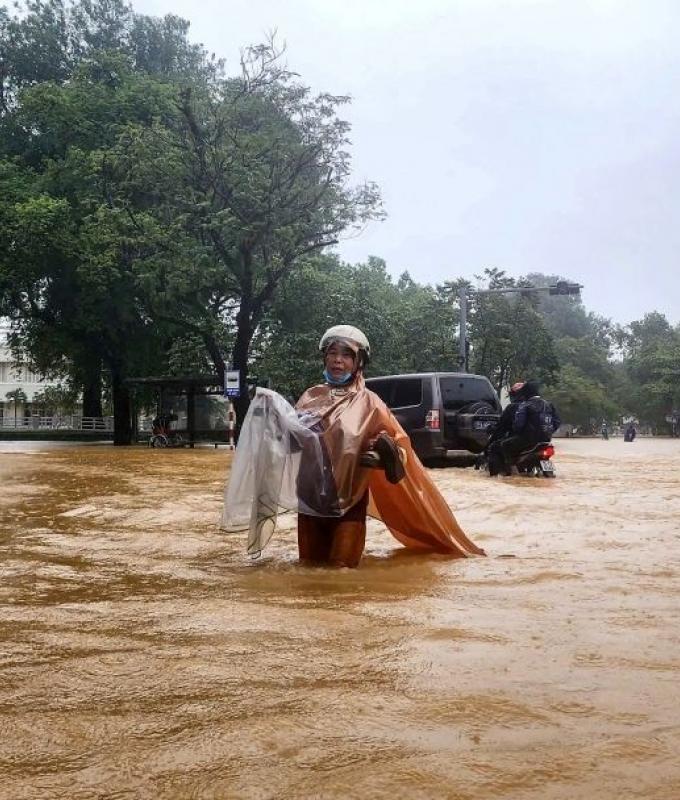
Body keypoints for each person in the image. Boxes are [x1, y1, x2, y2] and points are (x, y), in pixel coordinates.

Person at [222, 324, 485, 567]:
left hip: (348, 501)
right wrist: (274, 423)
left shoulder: (370, 403)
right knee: (310, 572)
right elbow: (294, 445)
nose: (338, 360)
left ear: (358, 362)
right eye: (333, 353)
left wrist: (385, 456)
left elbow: (401, 449)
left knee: (341, 573)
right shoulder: (310, 396)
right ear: (324, 358)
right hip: (310, 499)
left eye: (346, 355)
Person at [498, 381, 561, 475]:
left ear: (526, 392)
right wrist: (549, 431)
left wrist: (517, 431)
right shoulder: (548, 404)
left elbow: (518, 425)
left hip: (528, 440)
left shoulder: (525, 405)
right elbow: (557, 422)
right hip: (546, 440)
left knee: (504, 445)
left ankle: (510, 472)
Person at [485, 381, 525, 477]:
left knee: (494, 448)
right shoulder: (539, 404)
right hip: (539, 440)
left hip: (518, 440)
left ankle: (495, 476)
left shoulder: (513, 407)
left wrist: (492, 433)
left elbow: (502, 426)